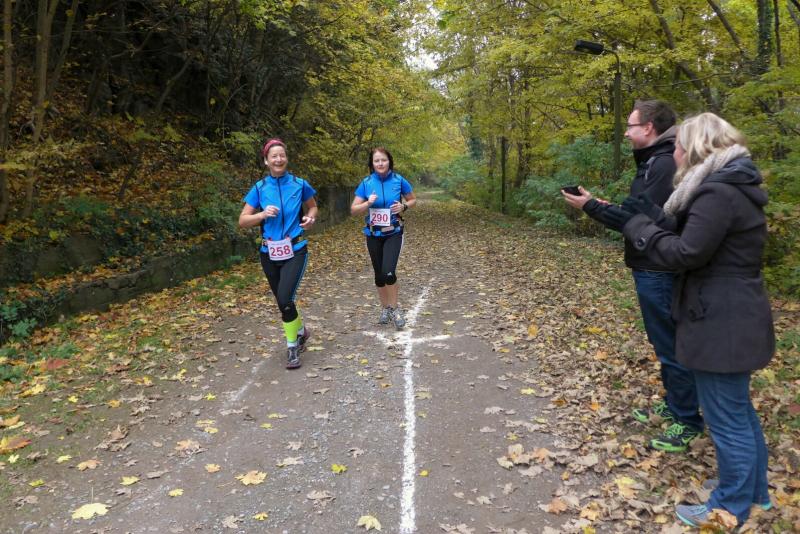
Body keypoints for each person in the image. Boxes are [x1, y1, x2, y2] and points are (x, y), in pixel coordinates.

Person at [617, 112, 775, 527]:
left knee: (726, 418)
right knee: (737, 410)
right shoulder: (729, 187)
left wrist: (641, 228)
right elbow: (700, 237)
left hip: (721, 318)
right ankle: (754, 493)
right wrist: (655, 217)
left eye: (679, 145)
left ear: (697, 147)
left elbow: (686, 253)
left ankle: (729, 507)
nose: (675, 153)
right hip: (732, 310)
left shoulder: (717, 192)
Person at [562, 100, 703, 452]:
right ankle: (675, 404)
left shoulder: (663, 163)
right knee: (663, 341)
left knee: (669, 345)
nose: (626, 133)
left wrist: (590, 207)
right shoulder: (654, 160)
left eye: (630, 126)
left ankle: (686, 419)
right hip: (651, 263)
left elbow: (642, 222)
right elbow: (638, 212)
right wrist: (599, 204)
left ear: (649, 127)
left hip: (658, 266)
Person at [239, 138, 318, 369]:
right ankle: (301, 331)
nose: (278, 159)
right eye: (273, 156)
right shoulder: (259, 188)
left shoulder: (299, 184)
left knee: (285, 298)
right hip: (269, 253)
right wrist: (262, 215)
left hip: (295, 249)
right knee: (284, 302)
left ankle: (293, 346)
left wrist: (310, 218)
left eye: (282, 155)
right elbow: (243, 220)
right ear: (266, 161)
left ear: (286, 158)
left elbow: (313, 206)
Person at [351, 147, 416, 329]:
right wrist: (367, 203)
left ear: (389, 162)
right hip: (373, 234)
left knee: (389, 273)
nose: (380, 163)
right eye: (377, 161)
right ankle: (385, 308)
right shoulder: (366, 183)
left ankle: (395, 309)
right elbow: (353, 210)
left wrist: (404, 206)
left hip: (393, 232)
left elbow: (412, 200)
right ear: (372, 164)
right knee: (379, 276)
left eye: (384, 160)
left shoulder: (399, 180)